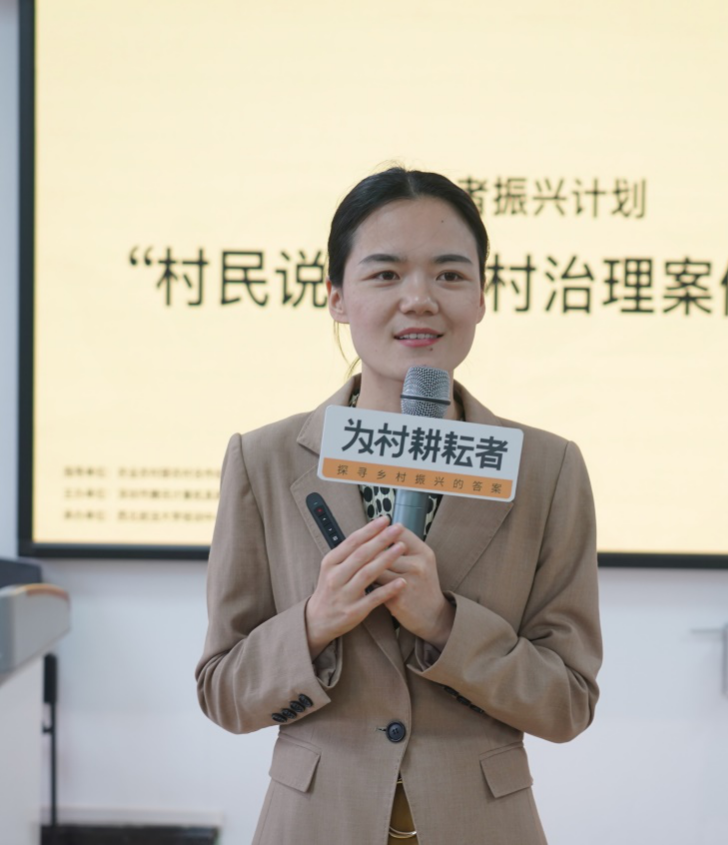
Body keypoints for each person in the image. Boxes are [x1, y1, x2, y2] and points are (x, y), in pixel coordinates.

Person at [196, 167, 602, 845]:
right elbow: (223, 693)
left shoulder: (545, 468)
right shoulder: (263, 459)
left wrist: (444, 623)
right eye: (385, 274)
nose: (419, 299)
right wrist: (314, 623)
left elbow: (567, 704)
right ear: (336, 297)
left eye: (449, 274)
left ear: (481, 297)